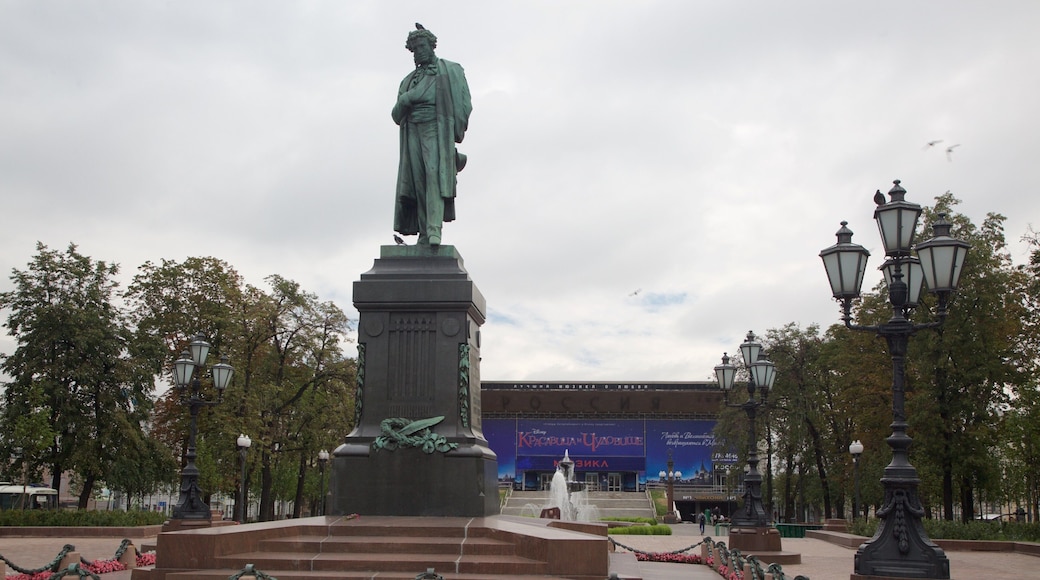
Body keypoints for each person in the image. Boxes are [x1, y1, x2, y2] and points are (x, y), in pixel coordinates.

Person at [391, 23, 472, 247]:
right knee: (418, 182)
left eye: (422, 46)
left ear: (431, 45)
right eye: (414, 49)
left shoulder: (449, 70)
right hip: (412, 131)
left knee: (434, 176)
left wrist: (454, 131)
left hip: (435, 128)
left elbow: (464, 103)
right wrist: (407, 99)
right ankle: (424, 233)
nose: (418, 52)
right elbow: (396, 115)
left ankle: (434, 230)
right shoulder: (407, 82)